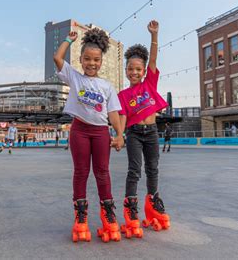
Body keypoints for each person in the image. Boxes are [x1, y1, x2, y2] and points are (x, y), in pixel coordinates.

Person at [54, 28, 124, 242]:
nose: (91, 63)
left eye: (96, 60)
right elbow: (58, 58)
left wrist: (120, 134)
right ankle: (81, 218)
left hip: (101, 133)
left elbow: (113, 113)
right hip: (80, 131)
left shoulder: (107, 86)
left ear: (101, 61)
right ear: (81, 60)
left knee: (103, 172)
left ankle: (109, 217)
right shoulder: (74, 77)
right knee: (81, 172)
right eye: (87, 59)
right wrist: (68, 40)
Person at [117, 20, 171, 238]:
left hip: (151, 133)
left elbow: (154, 58)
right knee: (134, 170)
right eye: (130, 69)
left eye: (138, 69)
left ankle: (153, 202)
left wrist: (154, 36)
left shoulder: (149, 83)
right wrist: (119, 135)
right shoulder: (123, 95)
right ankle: (130, 208)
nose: (134, 72)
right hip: (134, 134)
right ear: (126, 70)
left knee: (153, 169)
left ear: (143, 70)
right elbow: (121, 117)